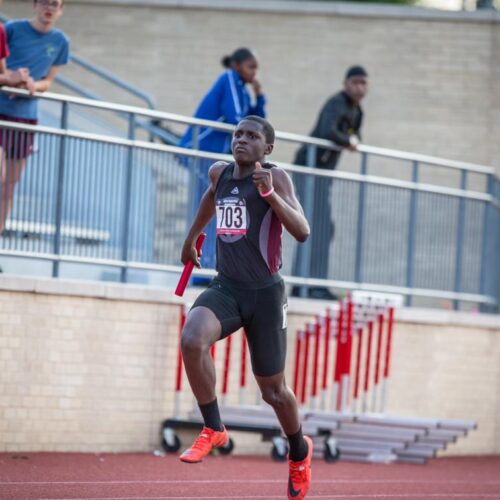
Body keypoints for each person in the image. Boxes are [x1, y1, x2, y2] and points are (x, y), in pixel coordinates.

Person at [179, 116, 313, 500]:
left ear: (266, 148)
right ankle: (213, 427)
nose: (241, 140)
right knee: (192, 338)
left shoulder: (276, 177)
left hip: (266, 295)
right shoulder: (219, 174)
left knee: (274, 392)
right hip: (227, 287)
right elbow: (210, 199)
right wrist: (192, 240)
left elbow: (302, 231)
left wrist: (270, 195)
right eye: (238, 134)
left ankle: (299, 452)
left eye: (252, 136)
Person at [179, 47, 266, 283]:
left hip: (215, 156)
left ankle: (210, 268)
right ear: (237, 65)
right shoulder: (228, 79)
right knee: (208, 210)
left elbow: (257, 124)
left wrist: (260, 97)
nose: (254, 73)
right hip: (200, 150)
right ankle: (202, 271)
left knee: (219, 209)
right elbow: (237, 119)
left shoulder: (242, 89)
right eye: (251, 67)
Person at [291, 65, 368, 300]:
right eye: (354, 82)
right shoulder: (337, 103)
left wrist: (351, 140)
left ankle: (314, 283)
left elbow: (356, 136)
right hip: (309, 168)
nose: (359, 87)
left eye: (363, 83)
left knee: (324, 228)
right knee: (313, 226)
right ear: (345, 84)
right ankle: (305, 286)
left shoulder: (358, 111)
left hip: (323, 175)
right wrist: (349, 140)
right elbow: (327, 131)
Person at [0, 0, 69, 234]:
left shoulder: (60, 41)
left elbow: (48, 82)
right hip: (1, 111)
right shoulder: (11, 29)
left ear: (61, 10)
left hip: (26, 118)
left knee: (8, 187)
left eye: (55, 4)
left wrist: (33, 85)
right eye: (45, 3)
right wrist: (12, 77)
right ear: (35, 5)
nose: (49, 8)